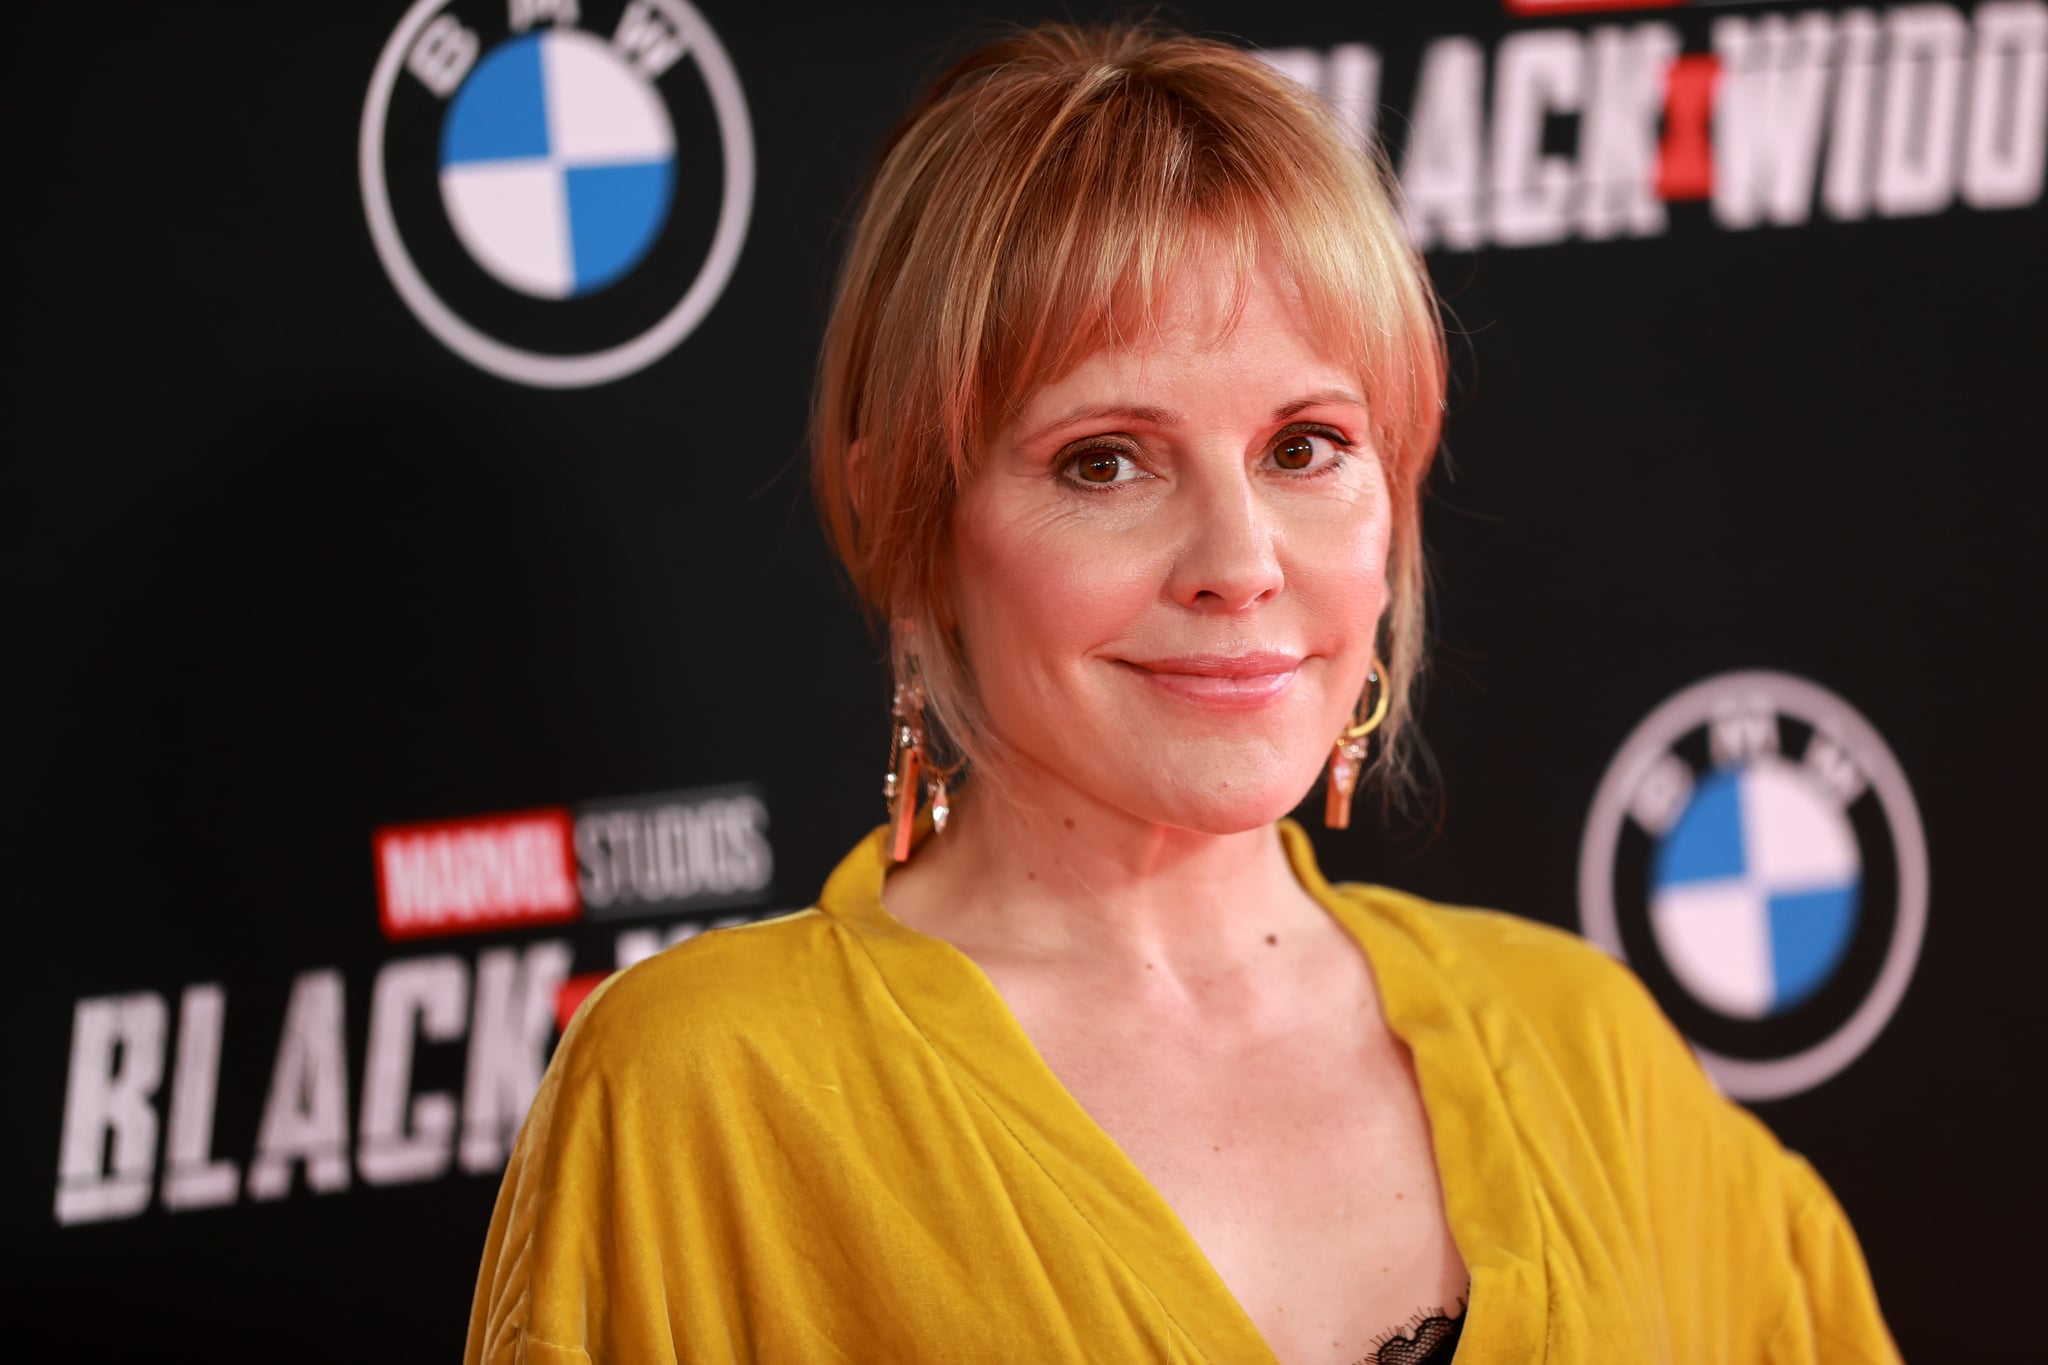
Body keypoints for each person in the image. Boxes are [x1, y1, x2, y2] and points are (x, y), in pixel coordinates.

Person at [465, 22, 1899, 1365]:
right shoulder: (702, 1099)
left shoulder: (1592, 1050)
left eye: (1305, 446)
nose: (1239, 559)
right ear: (912, 514)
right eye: (1106, 459)